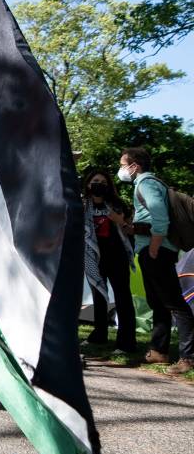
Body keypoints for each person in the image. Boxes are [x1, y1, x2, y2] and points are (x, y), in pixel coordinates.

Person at [121, 147, 194, 374]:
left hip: (157, 250)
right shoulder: (146, 183)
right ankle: (159, 351)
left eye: (123, 165)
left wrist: (154, 244)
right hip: (154, 248)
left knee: (175, 303)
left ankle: (189, 358)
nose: (122, 170)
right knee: (158, 302)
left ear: (135, 166)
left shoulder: (146, 183)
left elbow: (159, 214)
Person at [80, 168, 137, 357]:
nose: (99, 185)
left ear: (109, 186)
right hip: (93, 258)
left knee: (123, 297)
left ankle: (126, 343)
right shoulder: (81, 205)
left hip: (117, 257)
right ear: (88, 184)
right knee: (99, 297)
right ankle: (99, 334)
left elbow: (130, 230)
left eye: (103, 182)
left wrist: (120, 221)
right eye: (95, 181)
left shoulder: (118, 205)